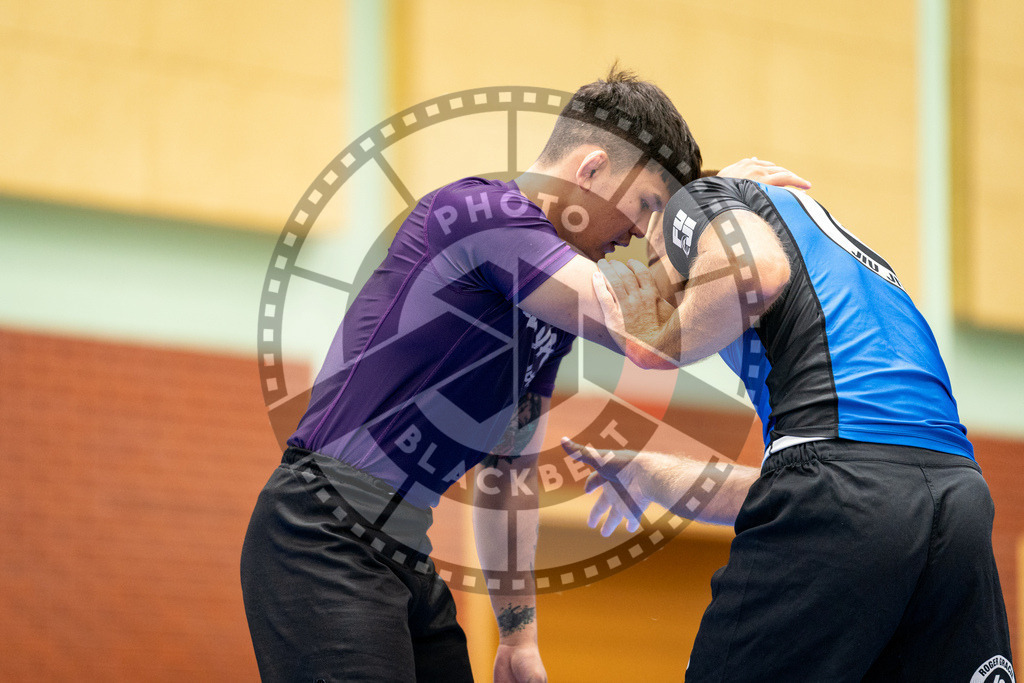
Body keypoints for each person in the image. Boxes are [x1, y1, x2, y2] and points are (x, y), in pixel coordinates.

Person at [239, 67, 808, 683]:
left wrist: (519, 637)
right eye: (647, 206)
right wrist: (718, 206)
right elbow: (639, 326)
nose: (641, 234)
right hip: (322, 527)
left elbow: (507, 474)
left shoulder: (548, 311)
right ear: (590, 169)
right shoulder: (480, 214)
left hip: (402, 543)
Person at [561, 174, 1014, 681]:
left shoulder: (691, 202)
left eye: (652, 264)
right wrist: (655, 477)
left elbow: (756, 268)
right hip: (958, 500)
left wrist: (657, 344)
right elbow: (835, 488)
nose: (660, 291)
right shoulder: (835, 269)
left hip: (851, 490)